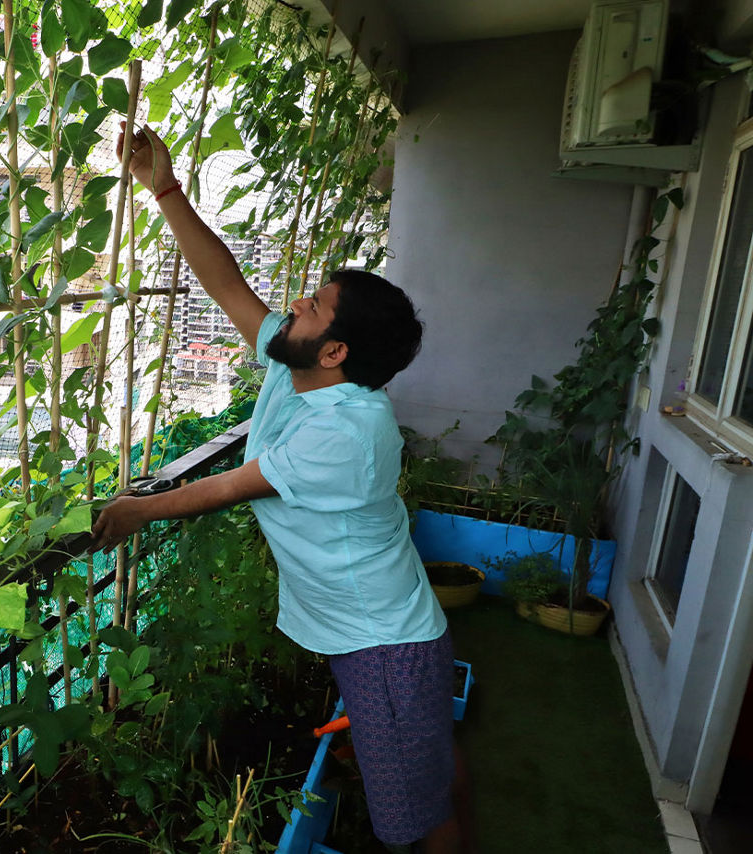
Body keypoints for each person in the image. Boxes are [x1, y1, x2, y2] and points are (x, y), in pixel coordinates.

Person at [92, 125, 471, 854]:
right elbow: (225, 281)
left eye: (313, 306)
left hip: (382, 643)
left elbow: (228, 488)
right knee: (428, 772)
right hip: (377, 631)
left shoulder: (350, 429)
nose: (295, 303)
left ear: (335, 352)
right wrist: (163, 189)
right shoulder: (299, 373)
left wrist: (136, 510)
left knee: (413, 822)